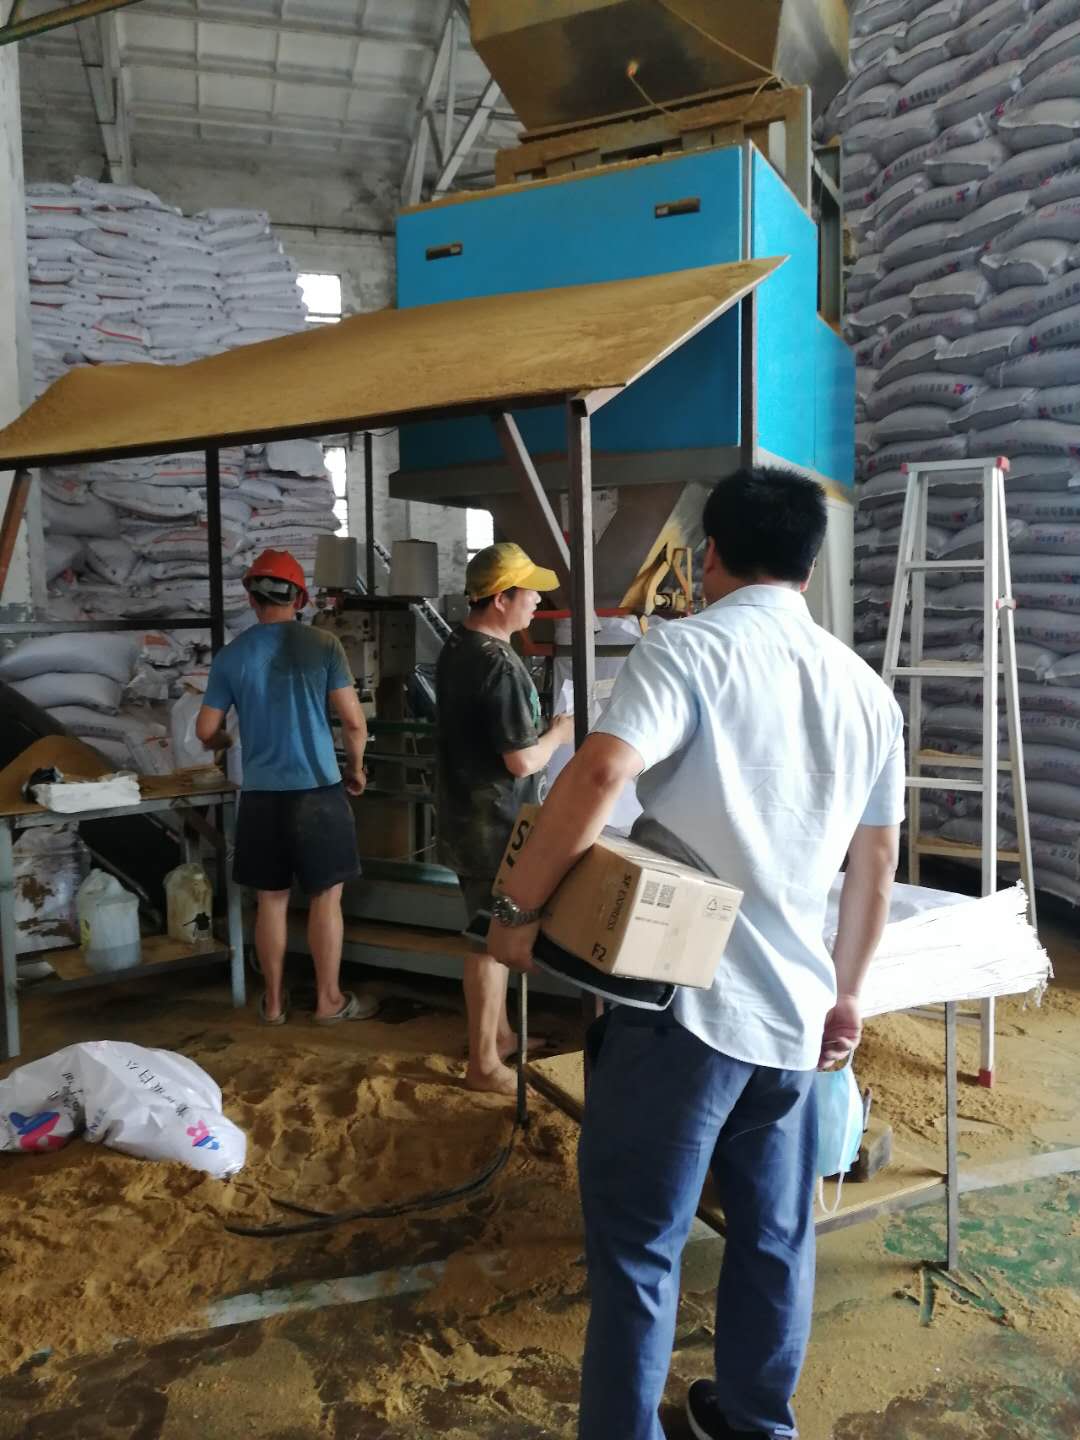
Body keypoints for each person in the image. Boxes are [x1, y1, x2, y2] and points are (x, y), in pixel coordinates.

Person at [486, 469, 905, 1440]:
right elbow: (876, 863)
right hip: (794, 1018)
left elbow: (600, 770)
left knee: (642, 1249)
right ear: (809, 567)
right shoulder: (867, 693)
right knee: (774, 1239)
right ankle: (756, 1422)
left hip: (681, 1008)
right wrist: (848, 994)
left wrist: (517, 908)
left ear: (709, 555)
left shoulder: (688, 649)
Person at [196, 549, 379, 1027]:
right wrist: (356, 769)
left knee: (271, 901)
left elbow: (205, 730)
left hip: (261, 797)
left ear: (251, 598)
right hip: (318, 791)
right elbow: (354, 723)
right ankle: (328, 1001)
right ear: (299, 598)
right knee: (325, 898)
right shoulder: (324, 645)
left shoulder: (232, 656)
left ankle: (274, 1003)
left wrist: (224, 741)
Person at [436, 541, 575, 1095]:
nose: (537, 600)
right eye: (529, 592)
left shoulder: (457, 644)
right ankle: (483, 1064)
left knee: (487, 933)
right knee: (487, 942)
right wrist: (558, 734)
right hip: (491, 822)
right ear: (500, 599)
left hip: (465, 812)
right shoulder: (497, 663)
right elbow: (520, 760)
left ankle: (502, 1037)